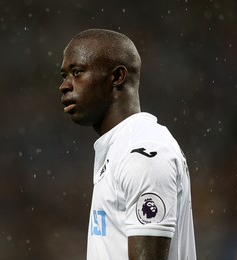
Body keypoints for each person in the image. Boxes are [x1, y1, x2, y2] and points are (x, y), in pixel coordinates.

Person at [59, 28, 196, 260]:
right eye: (64, 76)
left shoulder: (143, 152)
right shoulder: (120, 148)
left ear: (116, 77)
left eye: (77, 72)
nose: (64, 86)